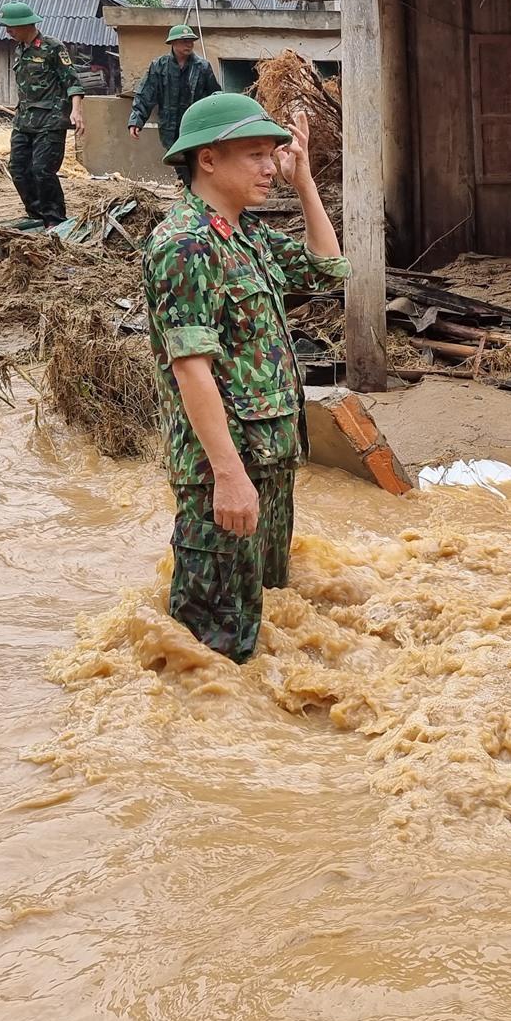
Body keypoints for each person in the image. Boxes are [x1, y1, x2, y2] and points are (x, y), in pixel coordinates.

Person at [142, 92, 347, 662]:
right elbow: (191, 369)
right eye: (256, 154)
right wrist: (229, 476)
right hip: (224, 468)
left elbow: (330, 269)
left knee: (266, 604)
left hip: (271, 453)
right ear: (208, 159)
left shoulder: (246, 235)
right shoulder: (185, 245)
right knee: (214, 644)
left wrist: (305, 183)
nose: (270, 168)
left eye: (274, 154)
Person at [0, 0, 84, 223]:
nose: (8, 31)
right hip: (24, 121)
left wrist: (76, 112)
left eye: (11, 27)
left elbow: (72, 81)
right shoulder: (19, 50)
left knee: (42, 170)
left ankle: (54, 219)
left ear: (26, 24)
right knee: (18, 169)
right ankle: (36, 216)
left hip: (51, 121)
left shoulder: (53, 47)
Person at [128, 24, 222, 183]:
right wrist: (136, 119)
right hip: (170, 127)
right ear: (173, 43)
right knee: (180, 164)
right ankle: (191, 193)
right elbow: (146, 94)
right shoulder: (159, 66)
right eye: (184, 41)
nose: (189, 44)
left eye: (191, 41)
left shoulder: (202, 67)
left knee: (196, 163)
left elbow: (214, 96)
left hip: (196, 126)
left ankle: (195, 194)